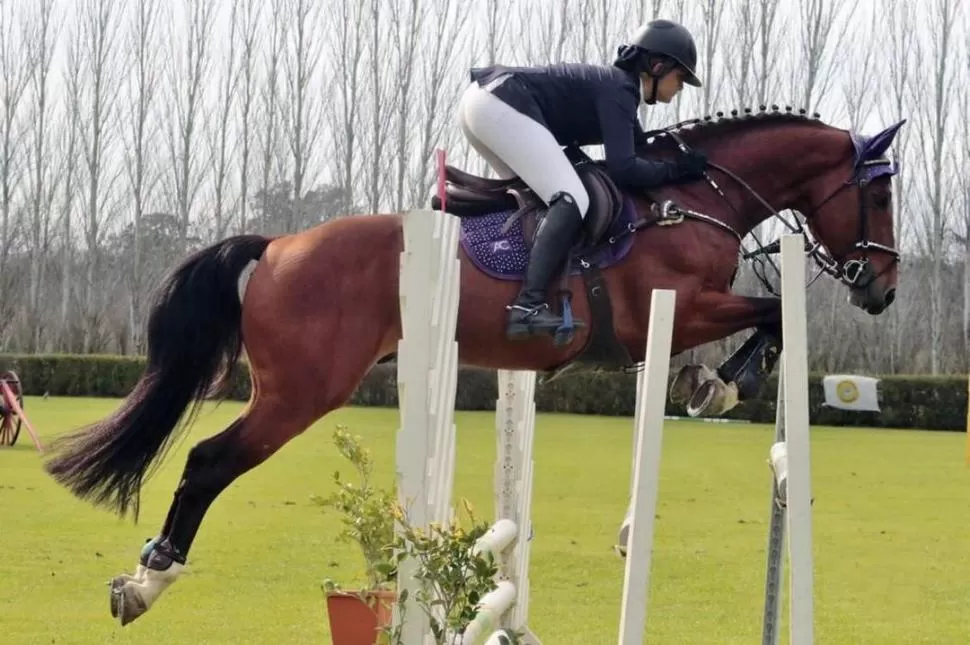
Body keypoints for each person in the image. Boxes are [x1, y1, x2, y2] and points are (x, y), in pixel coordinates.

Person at [456, 19, 708, 341]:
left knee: (543, 200)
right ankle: (528, 306)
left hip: (482, 103)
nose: (681, 87)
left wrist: (680, 158)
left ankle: (506, 286)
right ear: (657, 66)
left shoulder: (618, 90)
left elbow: (641, 150)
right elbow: (625, 169)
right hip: (499, 102)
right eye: (681, 77)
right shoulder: (621, 89)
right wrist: (679, 171)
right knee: (572, 197)